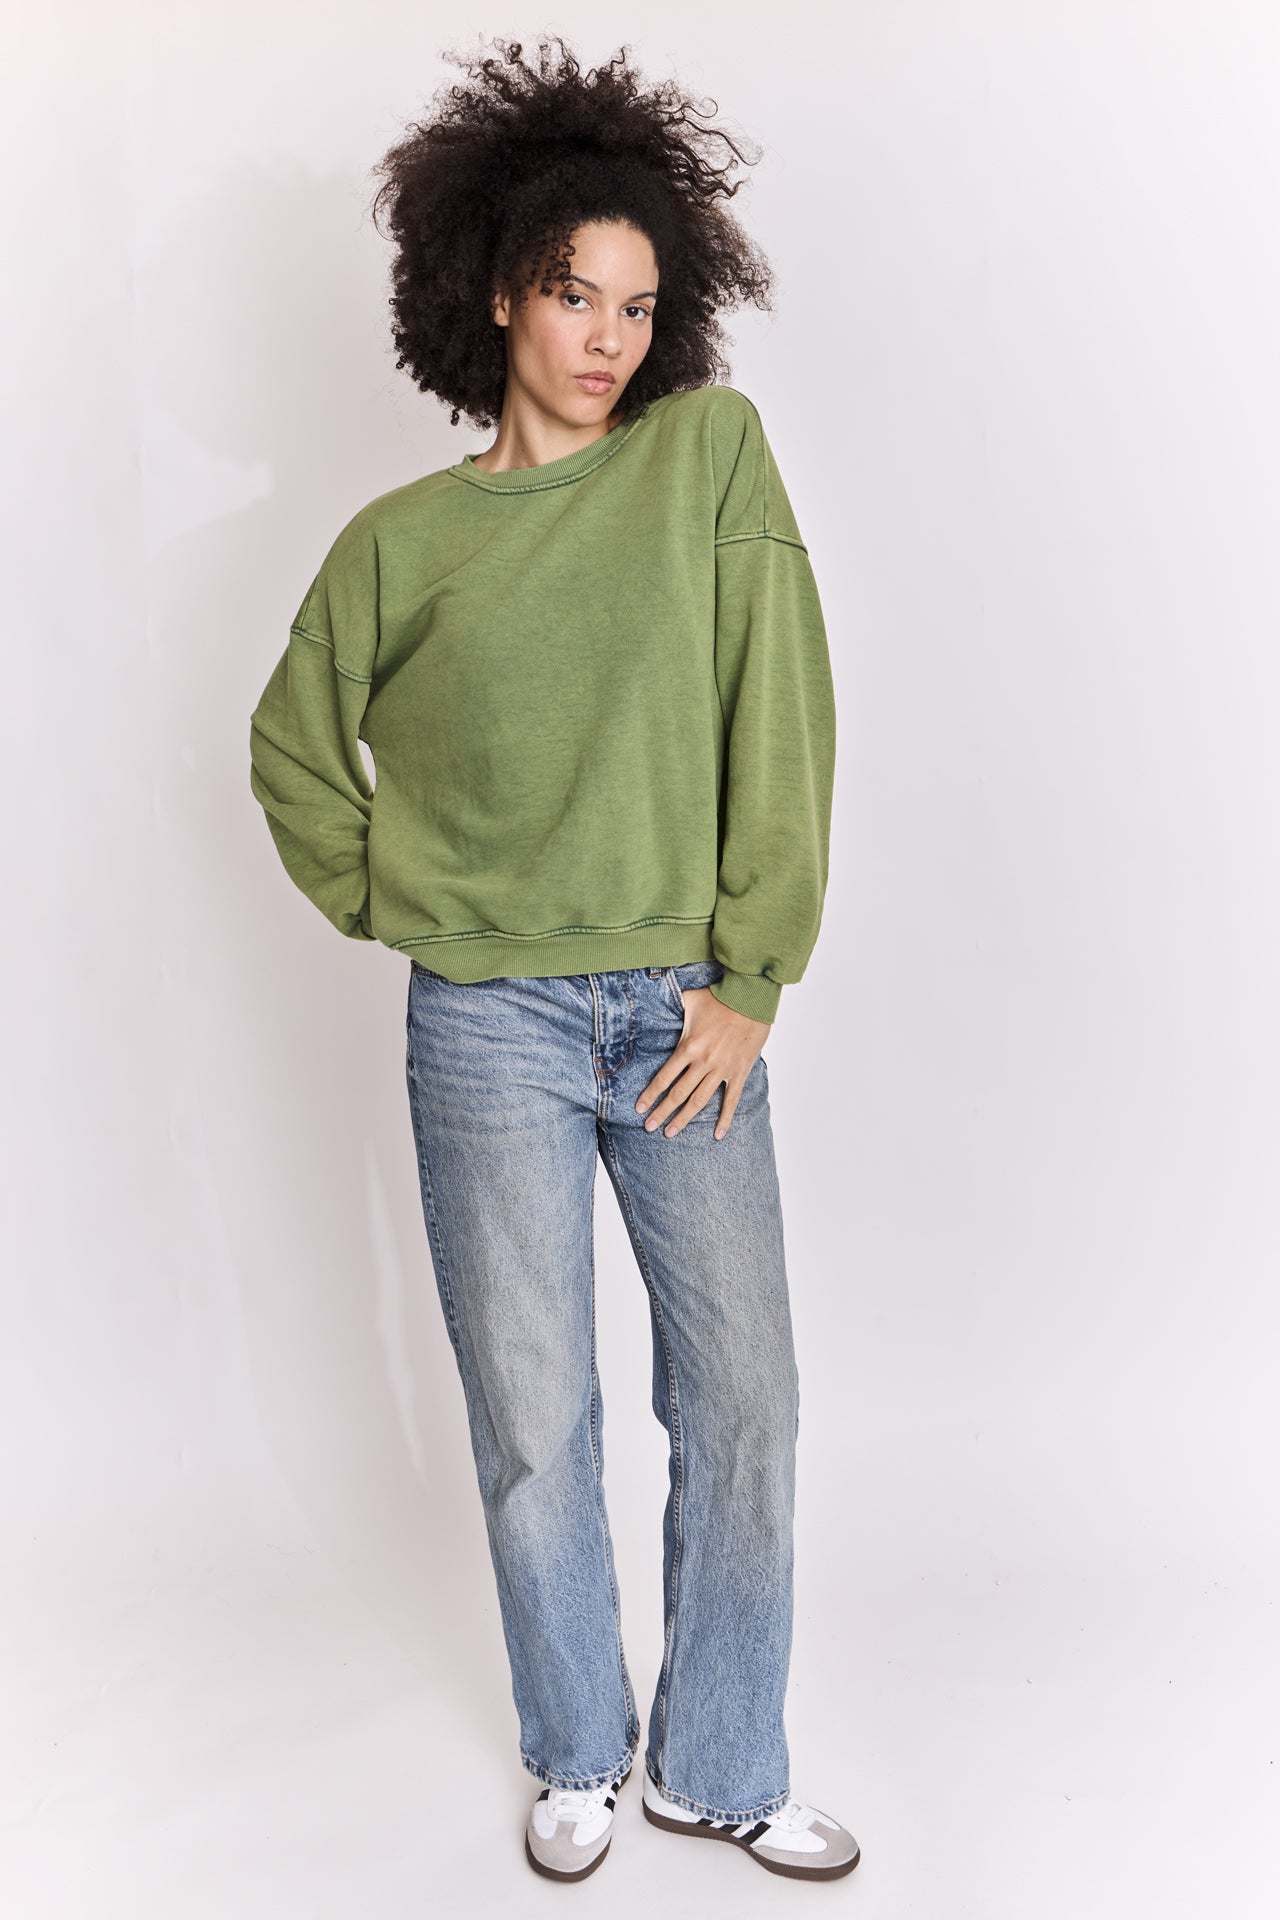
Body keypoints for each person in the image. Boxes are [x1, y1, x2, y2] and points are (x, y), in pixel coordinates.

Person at [248, 34, 858, 1885]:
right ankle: (579, 1748)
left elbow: (783, 708)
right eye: (576, 294)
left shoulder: (706, 458)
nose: (609, 337)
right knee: (535, 1416)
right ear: (500, 289)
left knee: (742, 1397)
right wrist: (401, 900)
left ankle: (719, 1762)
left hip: (683, 1010)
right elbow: (291, 750)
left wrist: (753, 976)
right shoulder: (401, 545)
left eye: (639, 305)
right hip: (483, 1027)